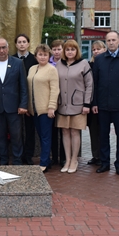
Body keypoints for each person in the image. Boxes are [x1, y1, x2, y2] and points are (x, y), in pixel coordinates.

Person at [92, 31, 119, 175]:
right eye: (108, 40)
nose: (111, 42)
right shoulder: (99, 60)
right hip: (103, 105)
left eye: (113, 40)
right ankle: (105, 163)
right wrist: (94, 103)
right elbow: (94, 83)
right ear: (106, 42)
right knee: (103, 136)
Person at [55, 39, 93, 174]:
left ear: (77, 51)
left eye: (72, 49)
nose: (70, 52)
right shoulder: (59, 64)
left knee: (74, 132)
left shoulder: (83, 64)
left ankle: (74, 160)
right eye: (67, 49)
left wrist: (87, 104)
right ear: (64, 51)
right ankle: (67, 159)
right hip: (62, 105)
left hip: (78, 105)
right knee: (65, 131)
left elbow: (89, 85)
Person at [0, 38, 28, 165]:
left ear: (8, 48)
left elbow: (23, 86)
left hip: (14, 107)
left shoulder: (17, 63)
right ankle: (3, 160)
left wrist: (23, 104)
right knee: (0, 137)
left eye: (3, 47)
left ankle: (17, 160)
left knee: (16, 136)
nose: (1, 50)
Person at [27, 44, 59, 172]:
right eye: (40, 54)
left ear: (49, 56)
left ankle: (44, 162)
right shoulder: (32, 69)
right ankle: (47, 160)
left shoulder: (52, 70)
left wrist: (52, 107)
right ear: (36, 56)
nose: (43, 57)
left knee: (46, 137)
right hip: (34, 109)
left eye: (45, 55)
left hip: (46, 109)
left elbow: (55, 90)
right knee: (41, 136)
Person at [13, 33, 38, 165]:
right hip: (14, 100)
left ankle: (28, 155)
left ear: (28, 44)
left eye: (24, 42)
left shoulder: (35, 60)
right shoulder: (11, 59)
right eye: (19, 42)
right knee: (16, 131)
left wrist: (28, 103)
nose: (22, 44)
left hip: (31, 101)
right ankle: (17, 154)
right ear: (16, 44)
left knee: (29, 130)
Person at [86, 40, 106, 166]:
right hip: (91, 102)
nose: (96, 51)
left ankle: (103, 156)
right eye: (94, 49)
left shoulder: (106, 63)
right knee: (93, 130)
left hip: (103, 103)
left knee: (102, 131)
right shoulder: (89, 65)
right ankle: (96, 155)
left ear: (104, 49)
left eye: (99, 48)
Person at [49, 39, 65, 167]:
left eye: (59, 49)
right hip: (50, 101)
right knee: (52, 131)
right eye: (54, 49)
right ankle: (54, 156)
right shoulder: (47, 63)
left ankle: (63, 157)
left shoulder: (66, 63)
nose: (57, 52)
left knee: (63, 130)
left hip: (64, 101)